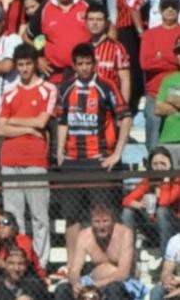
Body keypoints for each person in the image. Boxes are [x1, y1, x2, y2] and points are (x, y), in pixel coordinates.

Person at [55, 43, 131, 256]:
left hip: (98, 160)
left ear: (94, 64)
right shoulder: (65, 87)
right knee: (71, 217)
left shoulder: (106, 86)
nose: (85, 68)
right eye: (80, 64)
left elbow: (126, 117)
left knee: (102, 216)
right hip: (72, 161)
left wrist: (117, 153)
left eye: (88, 63)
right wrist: (60, 151)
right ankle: (73, 265)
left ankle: (106, 261)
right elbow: (62, 121)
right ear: (74, 65)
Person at [0, 44, 57, 265]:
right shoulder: (9, 92)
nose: (24, 69)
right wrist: (29, 130)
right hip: (10, 158)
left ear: (35, 64)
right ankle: (17, 262)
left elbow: (41, 121)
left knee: (39, 215)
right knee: (14, 217)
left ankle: (40, 264)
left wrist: (13, 121)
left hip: (35, 159)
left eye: (28, 64)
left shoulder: (48, 89)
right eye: (20, 64)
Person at [54, 202, 134, 300]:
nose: (101, 226)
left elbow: (123, 273)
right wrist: (76, 284)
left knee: (113, 288)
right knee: (62, 289)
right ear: (91, 222)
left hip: (119, 283)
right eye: (97, 222)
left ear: (113, 221)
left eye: (105, 221)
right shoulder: (84, 235)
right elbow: (74, 269)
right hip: (91, 282)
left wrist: (96, 285)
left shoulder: (125, 233)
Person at [26, 0, 90, 82]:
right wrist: (38, 57)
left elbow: (109, 29)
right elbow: (28, 37)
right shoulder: (44, 9)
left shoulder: (86, 5)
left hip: (85, 75)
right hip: (55, 77)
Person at [121, 146, 180, 254]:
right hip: (152, 224)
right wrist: (140, 204)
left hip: (173, 226)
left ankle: (165, 255)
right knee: (128, 211)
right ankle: (128, 253)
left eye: (163, 163)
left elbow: (164, 203)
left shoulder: (177, 180)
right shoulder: (148, 180)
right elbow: (126, 200)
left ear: (170, 163)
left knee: (161, 211)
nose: (159, 167)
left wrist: (166, 180)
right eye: (155, 164)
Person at [141, 0, 180, 149]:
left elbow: (153, 62)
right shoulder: (149, 34)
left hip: (178, 91)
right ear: (159, 9)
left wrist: (161, 56)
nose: (170, 9)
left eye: (174, 6)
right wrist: (175, 62)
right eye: (166, 6)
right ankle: (152, 159)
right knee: (153, 122)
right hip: (155, 93)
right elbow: (145, 63)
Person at [87, 3, 132, 108]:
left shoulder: (117, 48)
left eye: (99, 19)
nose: (95, 23)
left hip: (110, 104)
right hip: (88, 104)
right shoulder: (83, 48)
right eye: (91, 19)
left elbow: (125, 79)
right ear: (86, 22)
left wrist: (123, 107)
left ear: (106, 23)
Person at [156, 36, 180, 150]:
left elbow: (164, 104)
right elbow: (158, 109)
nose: (179, 56)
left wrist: (171, 99)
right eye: (178, 53)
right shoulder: (168, 80)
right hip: (168, 139)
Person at [154, 229, 180, 300]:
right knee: (157, 291)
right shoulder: (175, 241)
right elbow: (166, 272)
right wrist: (168, 282)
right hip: (177, 283)